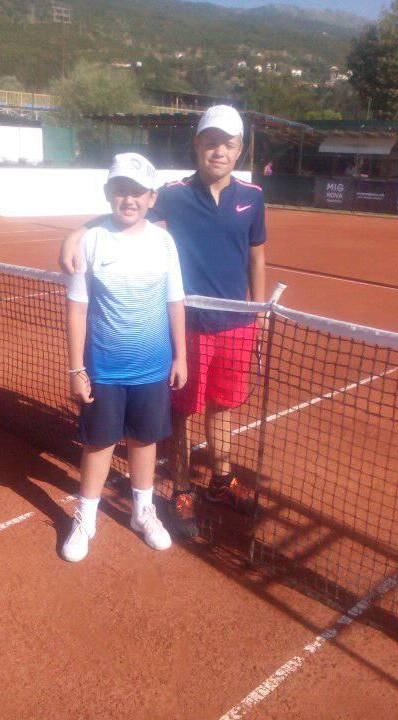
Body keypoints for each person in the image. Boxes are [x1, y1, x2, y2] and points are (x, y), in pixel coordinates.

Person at [60, 105, 266, 540]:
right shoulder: (171, 193)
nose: (219, 150)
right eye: (211, 141)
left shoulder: (253, 196)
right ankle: (182, 486)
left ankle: (222, 478)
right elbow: (125, 208)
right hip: (189, 323)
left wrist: (259, 310)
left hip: (237, 323)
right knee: (183, 409)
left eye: (228, 144)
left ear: (240, 150)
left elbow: (256, 256)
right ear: (197, 145)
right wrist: (76, 234)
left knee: (223, 405)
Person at [62, 153, 186, 562]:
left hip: (153, 367)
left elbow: (175, 301)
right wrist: (76, 368)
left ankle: (142, 512)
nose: (128, 199)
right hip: (103, 370)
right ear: (108, 193)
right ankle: (86, 518)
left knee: (144, 441)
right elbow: (77, 309)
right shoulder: (90, 241)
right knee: (98, 444)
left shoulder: (164, 242)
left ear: (152, 197)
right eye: (120, 190)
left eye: (137, 191)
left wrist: (181, 356)